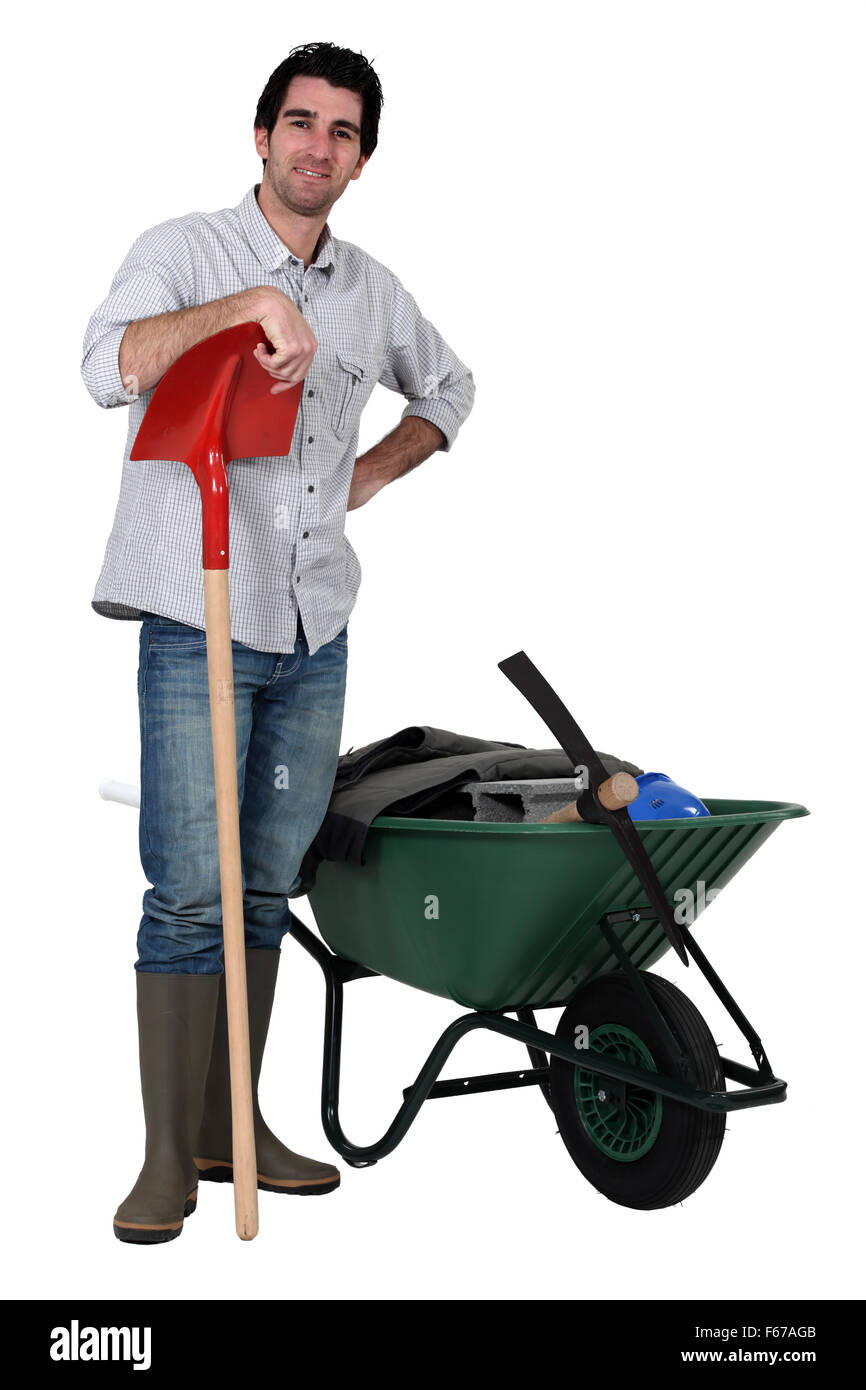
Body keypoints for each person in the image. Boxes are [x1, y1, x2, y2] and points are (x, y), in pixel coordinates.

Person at [81, 41, 475, 1244]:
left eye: (342, 132)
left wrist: (366, 476)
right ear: (262, 137)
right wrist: (248, 307)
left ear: (361, 160)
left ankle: (230, 1129)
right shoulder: (182, 250)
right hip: (197, 614)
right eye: (300, 122)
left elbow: (448, 390)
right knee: (187, 891)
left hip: (314, 625)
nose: (318, 146)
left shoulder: (372, 292)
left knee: (263, 884)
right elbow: (105, 367)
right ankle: (165, 1158)